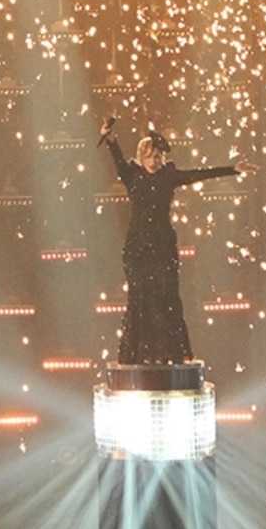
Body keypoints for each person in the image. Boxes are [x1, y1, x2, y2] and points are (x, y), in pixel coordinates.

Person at [95, 114, 237, 366]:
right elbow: (116, 156)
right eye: (148, 156)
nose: (153, 161)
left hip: (162, 244)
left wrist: (232, 169)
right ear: (141, 157)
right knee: (140, 295)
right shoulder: (132, 176)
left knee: (166, 295)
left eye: (157, 156)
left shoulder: (169, 177)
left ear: (163, 157)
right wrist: (109, 137)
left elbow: (199, 174)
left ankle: (168, 353)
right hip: (137, 246)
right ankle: (140, 353)